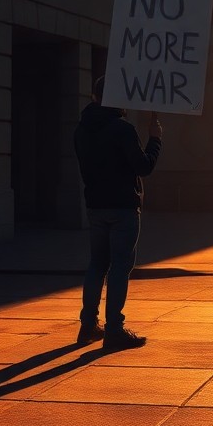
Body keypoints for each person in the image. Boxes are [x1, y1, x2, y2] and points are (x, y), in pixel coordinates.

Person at [73, 75, 162, 351]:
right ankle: (114, 330)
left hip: (95, 206)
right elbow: (143, 167)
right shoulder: (122, 129)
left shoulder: (81, 129)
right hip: (123, 207)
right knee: (120, 268)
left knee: (97, 264)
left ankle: (88, 325)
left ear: (94, 96)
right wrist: (155, 140)